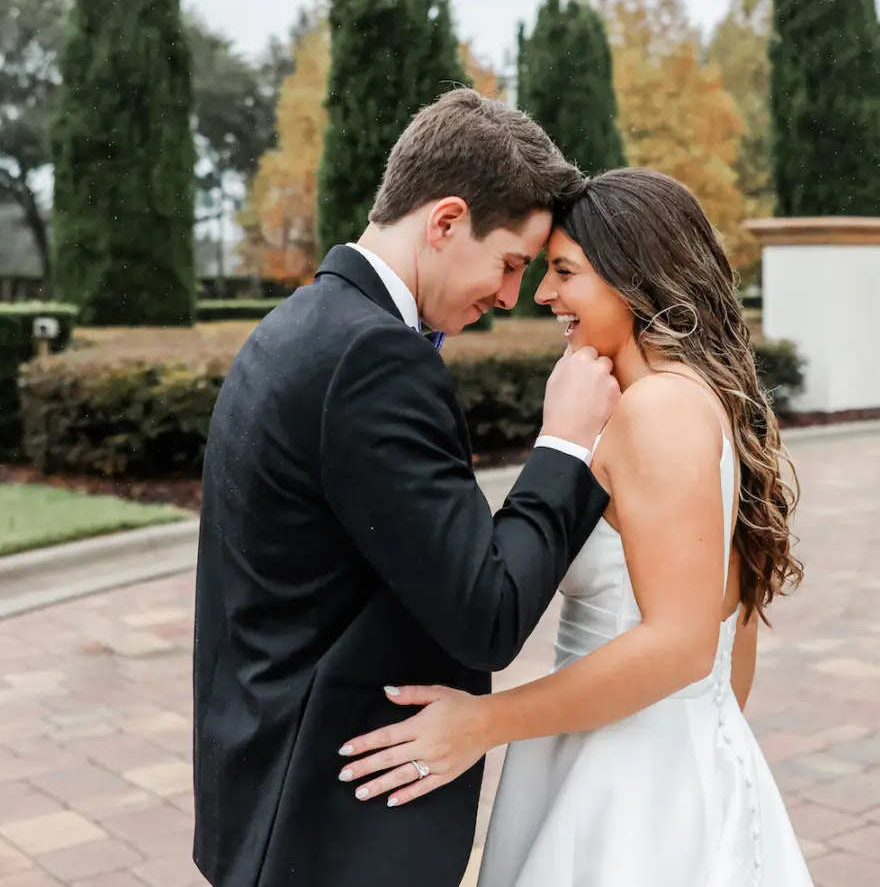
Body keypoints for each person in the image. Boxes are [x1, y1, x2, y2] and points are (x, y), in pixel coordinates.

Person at [191, 89, 622, 887]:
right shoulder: (373, 359)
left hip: (270, 796)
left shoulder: (295, 325)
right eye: (511, 263)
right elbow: (487, 613)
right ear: (447, 220)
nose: (506, 297)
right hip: (333, 827)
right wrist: (564, 443)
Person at [336, 167, 814, 886]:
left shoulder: (660, 411)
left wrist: (482, 721)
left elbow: (685, 647)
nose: (542, 293)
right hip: (630, 750)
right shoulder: (684, 401)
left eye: (564, 271)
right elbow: (727, 668)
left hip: (633, 790)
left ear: (634, 278)